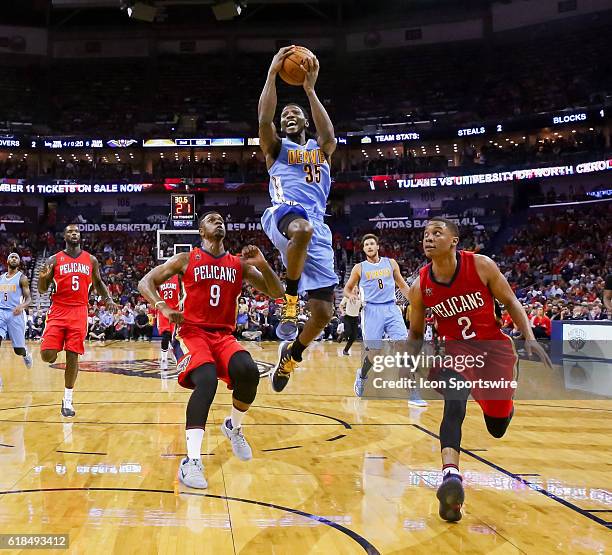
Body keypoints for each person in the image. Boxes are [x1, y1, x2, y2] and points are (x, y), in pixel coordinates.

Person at [407, 218, 551, 522]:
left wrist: (529, 337)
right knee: (454, 402)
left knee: (497, 427)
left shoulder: (481, 265)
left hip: (493, 352)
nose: (429, 238)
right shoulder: (420, 286)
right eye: (425, 234)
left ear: (455, 240)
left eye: (437, 233)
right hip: (454, 353)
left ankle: (504, 407)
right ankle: (451, 478)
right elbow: (417, 334)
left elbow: (511, 301)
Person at [138, 211, 284, 489]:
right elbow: (145, 282)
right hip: (192, 333)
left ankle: (233, 426)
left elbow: (276, 293)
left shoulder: (239, 264)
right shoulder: (186, 259)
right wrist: (163, 306)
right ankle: (191, 461)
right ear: (201, 231)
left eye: (221, 219)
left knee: (249, 372)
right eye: (211, 219)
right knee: (205, 381)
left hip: (223, 335)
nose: (219, 222)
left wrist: (263, 265)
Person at [258, 45, 338, 392]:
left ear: (305, 121)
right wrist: (273, 72)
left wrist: (308, 89)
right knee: (301, 228)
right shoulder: (275, 149)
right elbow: (264, 120)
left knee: (323, 313)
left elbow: (330, 137)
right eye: (284, 115)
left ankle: (291, 356)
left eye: (295, 114)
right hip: (283, 213)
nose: (288, 116)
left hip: (318, 228)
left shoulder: (321, 151)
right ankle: (290, 303)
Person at [38, 224, 117, 417]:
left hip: (79, 311)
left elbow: (98, 282)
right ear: (64, 236)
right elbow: (41, 289)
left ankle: (68, 400)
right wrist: (42, 279)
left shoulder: (91, 259)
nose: (74, 234)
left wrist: (107, 299)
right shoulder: (54, 259)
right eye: (70, 232)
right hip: (58, 309)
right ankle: (52, 348)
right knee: (48, 355)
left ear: (80, 236)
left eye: (77, 232)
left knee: (73, 355)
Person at [343, 234, 426, 406]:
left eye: (372, 243)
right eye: (366, 245)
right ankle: (362, 375)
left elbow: (402, 285)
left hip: (391, 308)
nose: (369, 247)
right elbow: (347, 288)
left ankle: (412, 391)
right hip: (371, 310)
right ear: (364, 249)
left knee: (403, 346)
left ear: (377, 246)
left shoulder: (391, 263)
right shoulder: (359, 268)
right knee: (375, 353)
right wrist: (351, 296)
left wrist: (415, 302)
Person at [0, 253, 33, 368]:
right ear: (7, 261)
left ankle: (26, 354)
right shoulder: (1, 278)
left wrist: (21, 306)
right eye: (11, 257)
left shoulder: (22, 278)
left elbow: (29, 299)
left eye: (16, 257)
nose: (14, 258)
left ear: (19, 262)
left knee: (18, 350)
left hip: (15, 314)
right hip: (1, 313)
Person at [156, 275, 182, 369]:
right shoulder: (159, 278)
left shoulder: (177, 277)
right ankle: (164, 358)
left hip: (175, 311)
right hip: (163, 311)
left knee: (175, 337)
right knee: (166, 335)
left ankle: (176, 356)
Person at [338, 286, 361, 356]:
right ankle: (341, 335)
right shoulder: (347, 297)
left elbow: (362, 307)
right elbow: (340, 305)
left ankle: (345, 350)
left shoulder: (360, 298)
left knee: (353, 336)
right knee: (348, 331)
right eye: (353, 288)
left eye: (356, 288)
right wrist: (342, 311)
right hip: (347, 317)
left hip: (355, 318)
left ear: (358, 289)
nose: (354, 289)